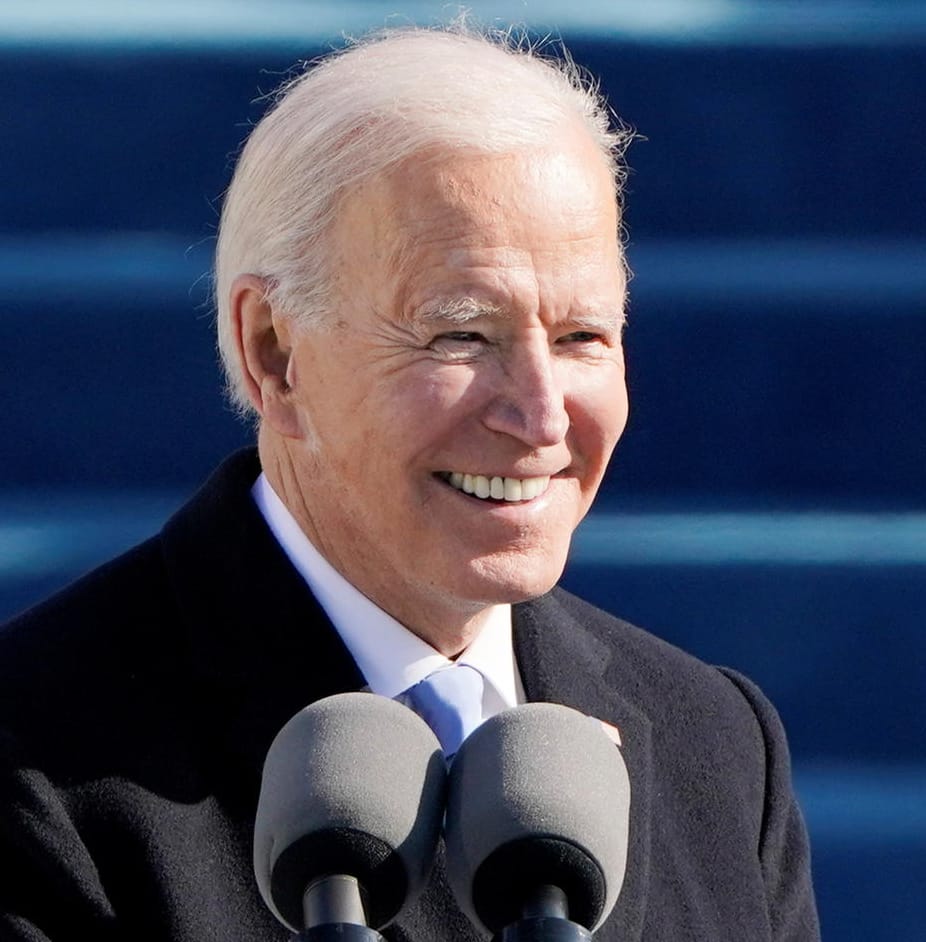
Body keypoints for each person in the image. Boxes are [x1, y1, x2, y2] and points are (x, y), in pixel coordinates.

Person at [0, 26, 820, 942]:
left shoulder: (719, 746)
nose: (543, 416)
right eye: (461, 335)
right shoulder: (33, 768)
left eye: (583, 336)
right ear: (273, 353)